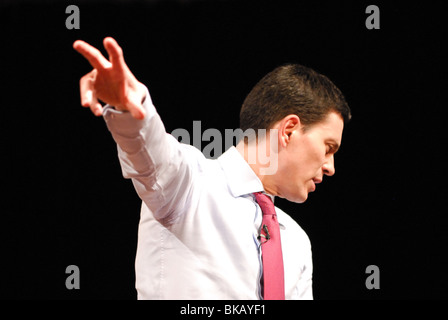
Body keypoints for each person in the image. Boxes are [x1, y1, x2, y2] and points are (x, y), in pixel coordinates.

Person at [73, 37, 351, 300]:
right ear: (289, 130)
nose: (330, 167)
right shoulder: (189, 185)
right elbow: (151, 152)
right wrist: (128, 107)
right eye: (328, 147)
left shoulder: (297, 242)